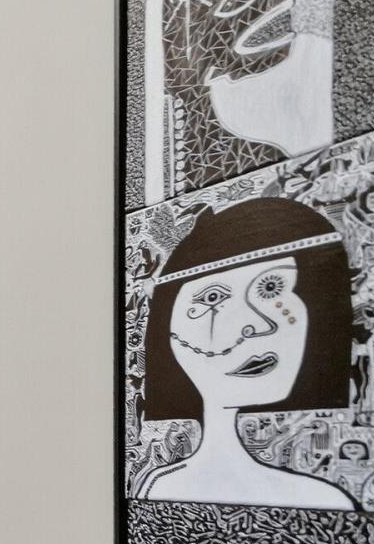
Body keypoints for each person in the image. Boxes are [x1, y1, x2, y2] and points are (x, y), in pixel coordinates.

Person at [139, 198, 355, 509]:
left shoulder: (326, 498)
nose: (259, 325)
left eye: (272, 287)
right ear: (167, 329)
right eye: (213, 297)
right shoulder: (156, 485)